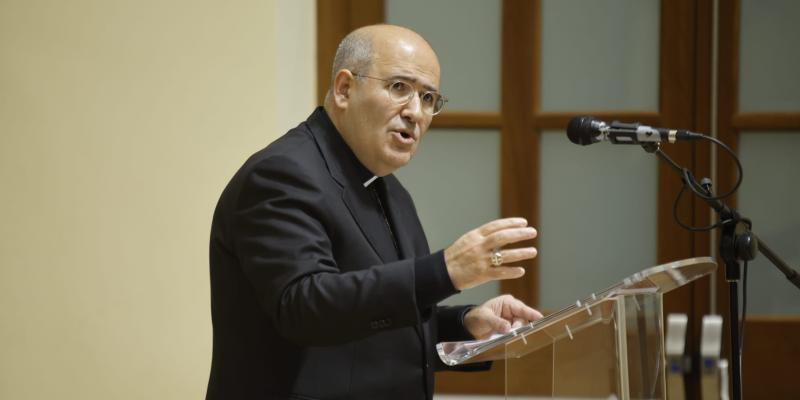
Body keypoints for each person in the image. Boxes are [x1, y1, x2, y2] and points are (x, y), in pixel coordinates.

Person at [206, 24, 542, 400]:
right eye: (400, 87)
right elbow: (306, 308)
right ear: (344, 88)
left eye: (429, 97)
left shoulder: (389, 190)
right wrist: (445, 270)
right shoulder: (282, 174)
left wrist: (465, 324)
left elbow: (373, 321)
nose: (416, 112)